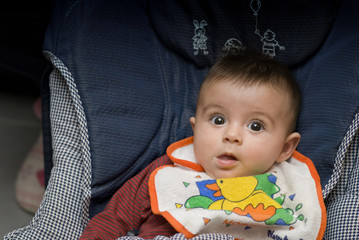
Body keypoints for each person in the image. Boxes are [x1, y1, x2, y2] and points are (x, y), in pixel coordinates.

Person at [80, 52, 326, 240]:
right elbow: (115, 218)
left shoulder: (290, 186)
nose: (231, 135)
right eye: (218, 120)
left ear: (285, 148)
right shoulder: (168, 170)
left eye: (255, 126)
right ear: (195, 129)